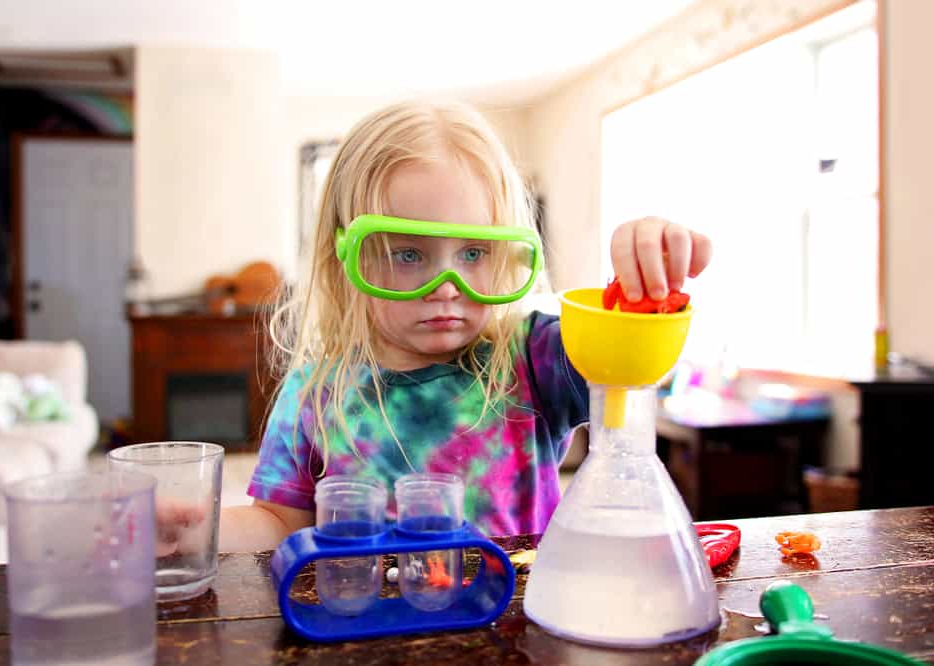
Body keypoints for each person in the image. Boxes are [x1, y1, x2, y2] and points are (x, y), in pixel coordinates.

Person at [158, 100, 711, 557]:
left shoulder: (531, 357)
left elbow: (633, 368)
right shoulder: (314, 392)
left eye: (473, 252)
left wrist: (642, 291)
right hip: (369, 630)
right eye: (408, 254)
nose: (447, 286)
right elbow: (279, 524)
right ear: (344, 257)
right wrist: (198, 529)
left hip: (515, 630)